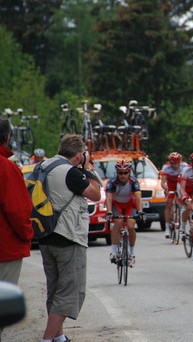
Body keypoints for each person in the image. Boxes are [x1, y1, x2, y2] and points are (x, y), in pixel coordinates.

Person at [38, 134, 101, 342]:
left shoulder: (44, 165)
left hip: (46, 236)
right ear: (78, 155)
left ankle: (59, 337)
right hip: (68, 237)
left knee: (54, 291)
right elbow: (95, 194)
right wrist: (88, 166)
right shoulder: (71, 172)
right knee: (69, 293)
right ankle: (47, 339)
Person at [0, 118, 33, 341]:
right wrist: (29, 235)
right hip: (5, 248)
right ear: (8, 137)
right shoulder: (7, 168)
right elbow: (17, 210)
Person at [105, 160, 145, 266]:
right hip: (116, 205)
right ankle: (114, 251)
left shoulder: (134, 182)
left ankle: (132, 253)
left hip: (129, 205)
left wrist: (140, 211)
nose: (123, 176)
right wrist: (109, 212)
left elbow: (138, 198)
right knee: (118, 222)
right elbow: (108, 199)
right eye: (120, 173)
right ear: (117, 173)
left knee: (131, 226)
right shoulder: (112, 183)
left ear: (129, 172)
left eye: (125, 173)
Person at [161, 152, 188, 238]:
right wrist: (166, 189)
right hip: (171, 185)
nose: (176, 165)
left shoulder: (184, 166)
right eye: (173, 163)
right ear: (170, 162)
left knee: (183, 201)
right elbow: (163, 182)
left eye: (177, 163)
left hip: (180, 184)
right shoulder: (166, 167)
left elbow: (186, 180)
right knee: (168, 203)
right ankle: (167, 227)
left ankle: (181, 219)